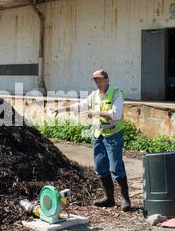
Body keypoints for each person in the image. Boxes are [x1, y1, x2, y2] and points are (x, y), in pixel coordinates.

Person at [52, 69, 131, 211]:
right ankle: (109, 199)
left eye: (100, 79)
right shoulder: (94, 95)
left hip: (113, 135)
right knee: (100, 166)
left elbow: (116, 114)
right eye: (95, 80)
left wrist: (96, 113)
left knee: (116, 167)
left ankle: (126, 199)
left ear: (107, 80)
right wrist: (62, 109)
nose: (98, 82)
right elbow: (80, 106)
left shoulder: (116, 93)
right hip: (98, 134)